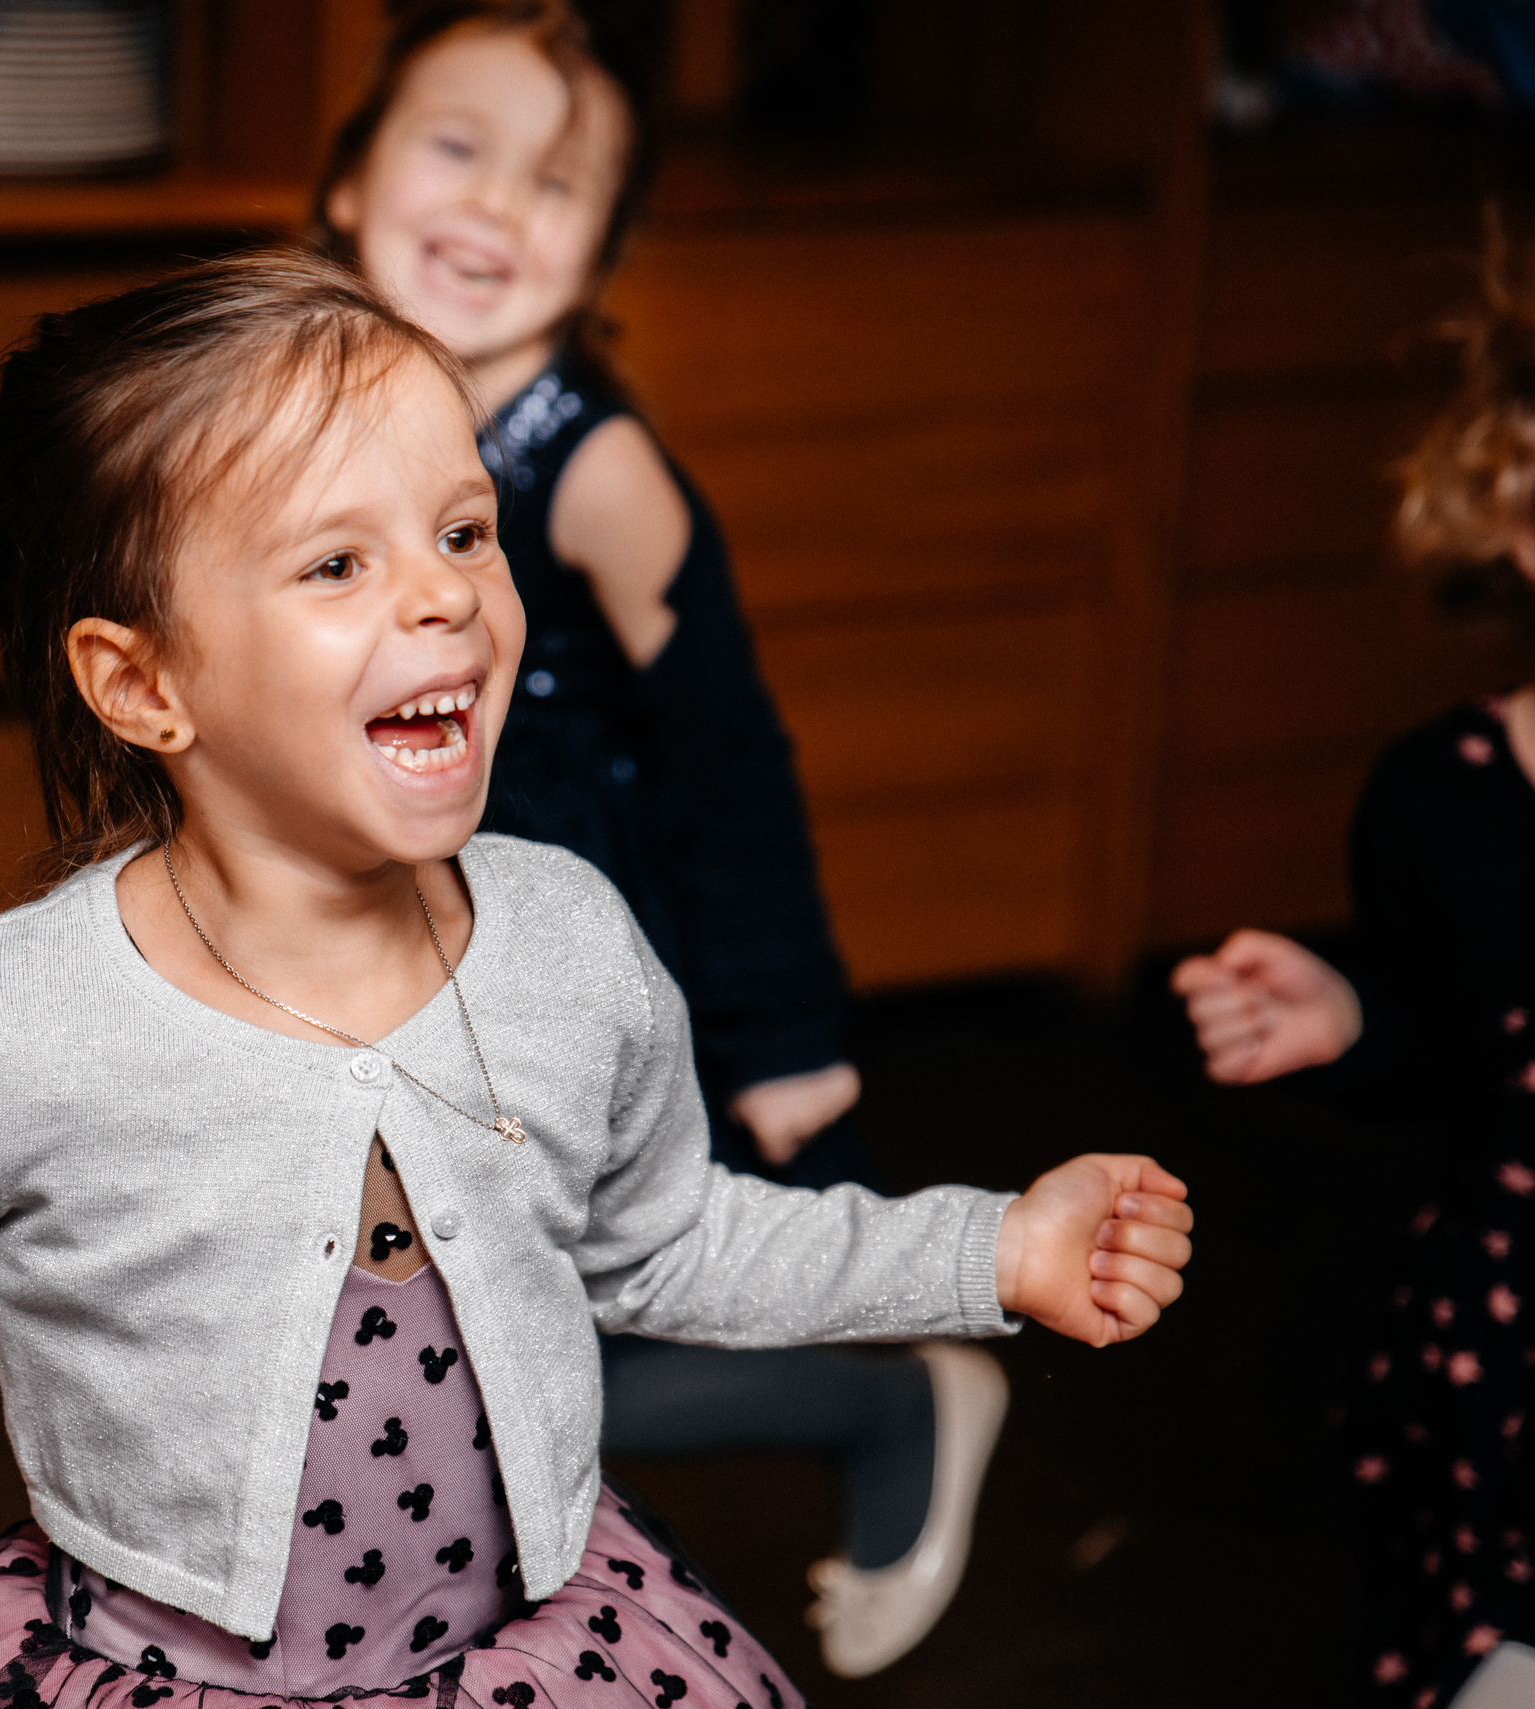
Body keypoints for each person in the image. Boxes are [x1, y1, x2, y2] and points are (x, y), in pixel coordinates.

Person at [0, 250, 1192, 1709]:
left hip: (538, 1655)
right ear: (144, 684)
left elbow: (669, 1240)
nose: (446, 598)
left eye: (465, 530)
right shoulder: (20, 1017)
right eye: (339, 560)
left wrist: (990, 1249)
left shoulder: (567, 938)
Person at [311, 0, 1005, 1673]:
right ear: (346, 181)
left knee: (527, 1339)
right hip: (365, 941)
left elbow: (730, 761)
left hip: (554, 952)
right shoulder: (303, 390)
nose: (491, 208)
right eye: (455, 148)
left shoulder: (598, 471)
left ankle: (886, 1402)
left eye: (555, 187)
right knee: (387, 1330)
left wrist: (780, 1034)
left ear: (608, 245)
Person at [1172, 221, 1535, 1709]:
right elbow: (1461, 1048)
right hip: (1512, 1372)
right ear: (1510, 492)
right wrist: (1352, 1013)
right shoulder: (1441, 796)